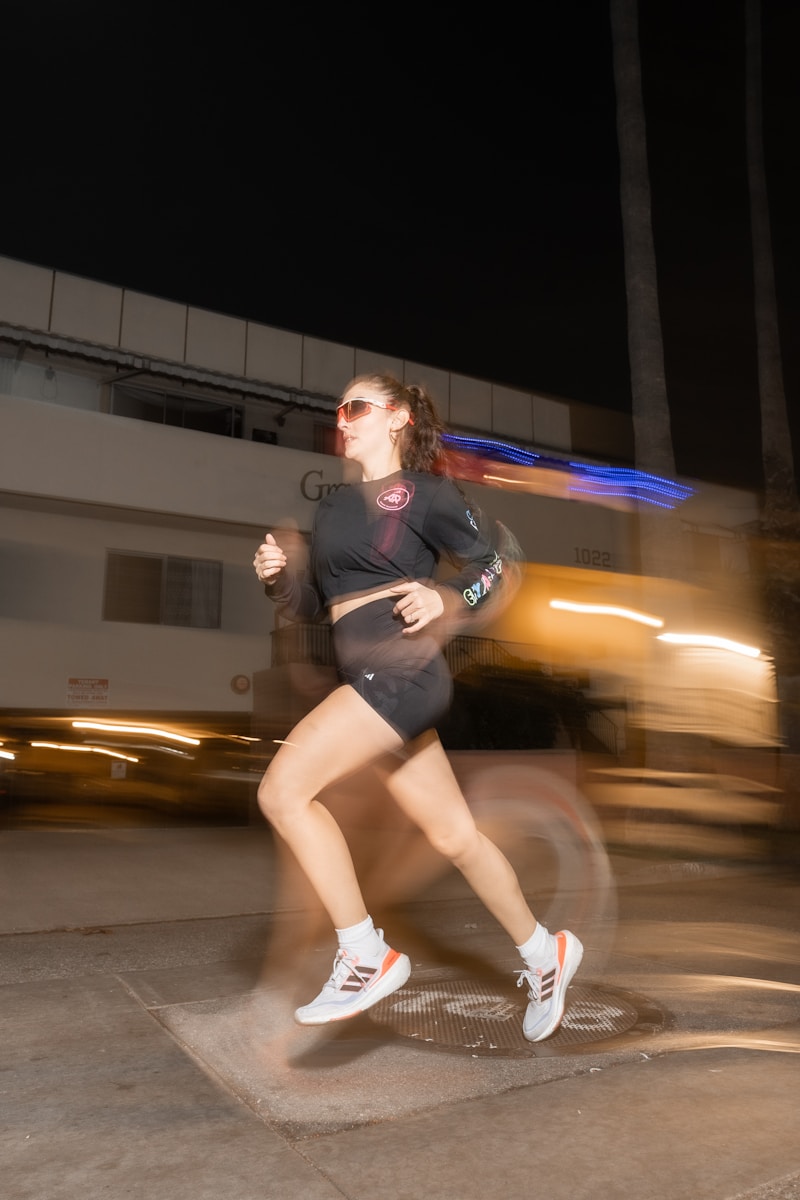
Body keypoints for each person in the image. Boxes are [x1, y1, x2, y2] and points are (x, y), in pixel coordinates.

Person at [252, 373, 583, 1041]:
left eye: (357, 406)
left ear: (397, 417)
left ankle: (364, 954)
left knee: (283, 794)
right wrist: (280, 579)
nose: (341, 418)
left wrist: (448, 598)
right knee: (454, 836)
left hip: (400, 672)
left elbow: (493, 563)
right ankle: (544, 953)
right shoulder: (335, 505)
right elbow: (321, 602)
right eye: (339, 408)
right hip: (373, 676)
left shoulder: (428, 494)